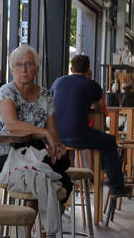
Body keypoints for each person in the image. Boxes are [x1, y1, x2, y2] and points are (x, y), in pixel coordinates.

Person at [51, 54, 129, 195]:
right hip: (77, 135)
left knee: (75, 145)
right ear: (89, 69)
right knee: (109, 141)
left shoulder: (58, 81)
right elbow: (99, 108)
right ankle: (117, 185)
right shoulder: (91, 84)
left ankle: (63, 188)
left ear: (71, 68)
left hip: (55, 136)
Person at [0, 44, 70, 182]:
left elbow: (53, 131)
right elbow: (12, 125)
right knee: (50, 175)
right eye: (18, 65)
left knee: (62, 162)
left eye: (28, 64)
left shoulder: (45, 95)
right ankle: (34, 199)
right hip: (6, 154)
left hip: (34, 152)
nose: (24, 69)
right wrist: (44, 132)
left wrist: (55, 147)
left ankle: (33, 200)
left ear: (37, 69)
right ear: (12, 70)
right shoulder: (7, 91)